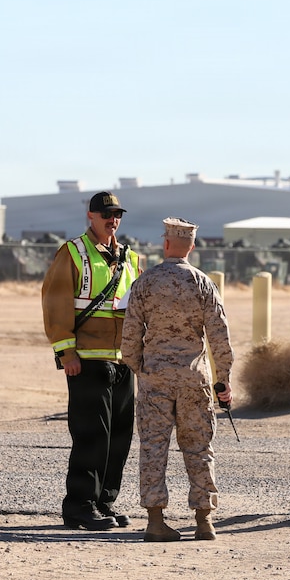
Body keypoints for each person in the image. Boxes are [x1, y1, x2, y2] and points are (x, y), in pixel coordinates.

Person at [121, 217, 234, 542]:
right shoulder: (203, 283)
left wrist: (141, 368)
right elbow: (219, 336)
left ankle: (155, 521)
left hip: (155, 378)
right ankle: (204, 521)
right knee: (199, 448)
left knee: (153, 448)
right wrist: (223, 378)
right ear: (192, 246)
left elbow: (130, 337)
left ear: (166, 243)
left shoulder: (145, 283)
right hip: (193, 379)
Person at [41, 191, 142, 531]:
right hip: (86, 360)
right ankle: (79, 506)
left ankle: (103, 502)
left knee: (119, 437)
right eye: (106, 214)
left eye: (117, 215)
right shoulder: (73, 253)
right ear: (91, 216)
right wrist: (66, 352)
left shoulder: (130, 258)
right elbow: (55, 303)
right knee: (91, 436)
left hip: (122, 360)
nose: (113, 220)